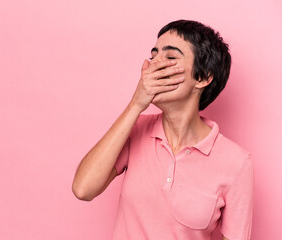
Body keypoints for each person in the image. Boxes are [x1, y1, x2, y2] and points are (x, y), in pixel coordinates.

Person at [72, 19, 254, 240]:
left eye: (170, 57)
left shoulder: (237, 163)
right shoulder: (135, 128)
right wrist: (136, 105)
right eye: (153, 55)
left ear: (203, 77)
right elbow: (83, 189)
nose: (153, 66)